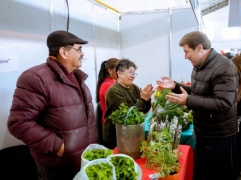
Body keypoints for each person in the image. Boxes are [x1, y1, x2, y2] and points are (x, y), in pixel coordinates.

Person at [7, 30, 98, 180]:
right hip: (58, 168)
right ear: (63, 52)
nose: (82, 54)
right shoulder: (36, 78)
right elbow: (19, 123)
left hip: (83, 162)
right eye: (79, 49)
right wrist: (58, 146)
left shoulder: (76, 77)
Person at [156, 31, 238, 180]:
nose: (185, 56)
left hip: (219, 136)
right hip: (204, 131)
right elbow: (197, 93)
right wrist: (174, 85)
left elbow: (224, 103)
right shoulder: (199, 66)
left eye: (187, 52)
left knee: (218, 174)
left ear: (199, 48)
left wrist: (188, 101)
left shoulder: (224, 67)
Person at [103, 58, 153, 149]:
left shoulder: (134, 87)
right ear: (119, 73)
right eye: (130, 72)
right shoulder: (114, 91)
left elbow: (144, 110)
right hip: (115, 136)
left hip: (129, 133)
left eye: (134, 73)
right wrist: (143, 99)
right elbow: (128, 115)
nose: (133, 76)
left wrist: (147, 98)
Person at [95, 58, 120, 144]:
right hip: (111, 127)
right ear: (110, 70)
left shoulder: (113, 83)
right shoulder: (108, 86)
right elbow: (117, 108)